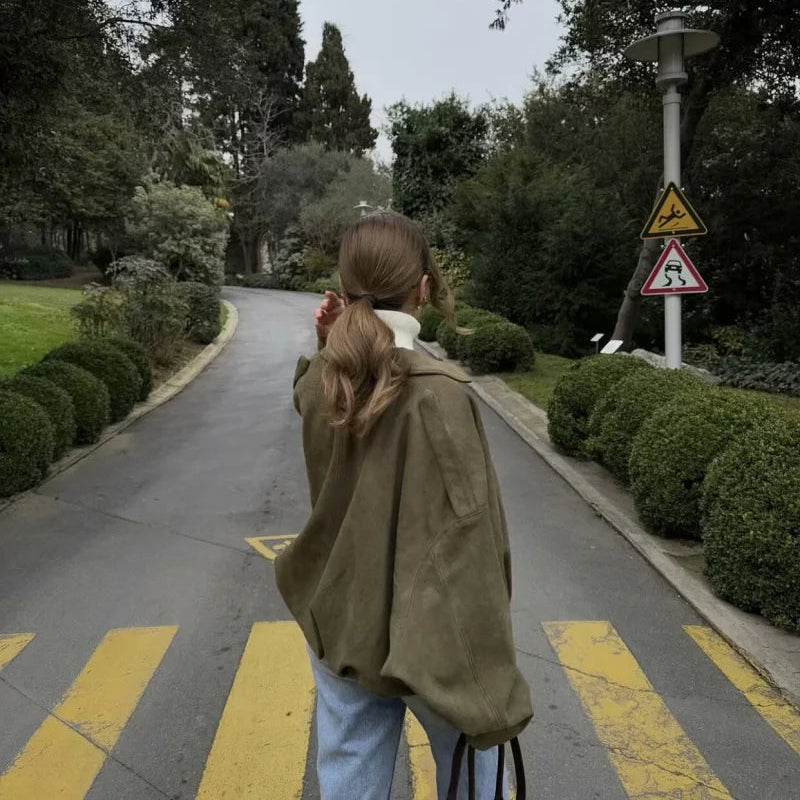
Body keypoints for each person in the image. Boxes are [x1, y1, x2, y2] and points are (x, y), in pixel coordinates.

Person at [275, 211, 532, 799]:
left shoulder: (322, 381)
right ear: (423, 287)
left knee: (350, 778)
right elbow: (473, 536)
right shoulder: (440, 395)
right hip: (432, 633)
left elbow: (314, 398)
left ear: (343, 290)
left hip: (341, 617)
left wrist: (326, 348)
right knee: (472, 771)